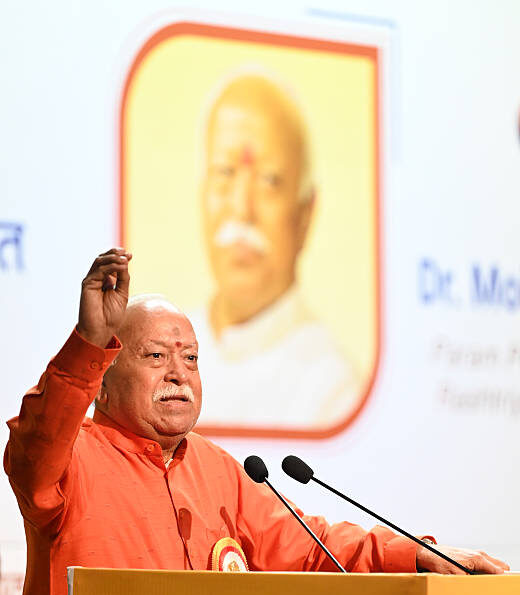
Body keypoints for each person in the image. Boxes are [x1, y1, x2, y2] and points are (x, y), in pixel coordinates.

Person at [4, 248, 509, 595]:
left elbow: (314, 549)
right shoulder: (70, 459)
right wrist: (88, 343)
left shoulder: (219, 471)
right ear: (103, 379)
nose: (179, 373)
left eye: (191, 358)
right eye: (156, 356)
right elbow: (36, 442)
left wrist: (415, 556)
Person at [191, 72, 359, 430]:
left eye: (269, 180)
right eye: (224, 172)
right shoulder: (160, 355)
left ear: (305, 214)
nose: (242, 208)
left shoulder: (333, 393)